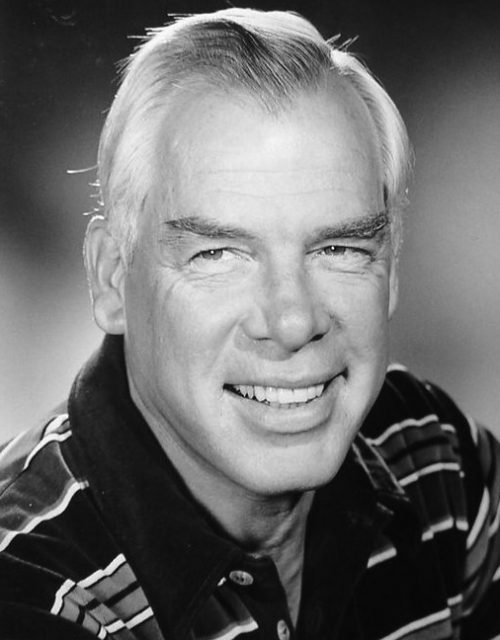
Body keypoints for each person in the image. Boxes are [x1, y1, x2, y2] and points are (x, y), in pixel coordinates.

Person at [1, 8, 499, 640]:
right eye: (219, 254)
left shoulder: (437, 460)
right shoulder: (28, 594)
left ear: (392, 266)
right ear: (112, 278)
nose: (292, 323)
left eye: (339, 249)